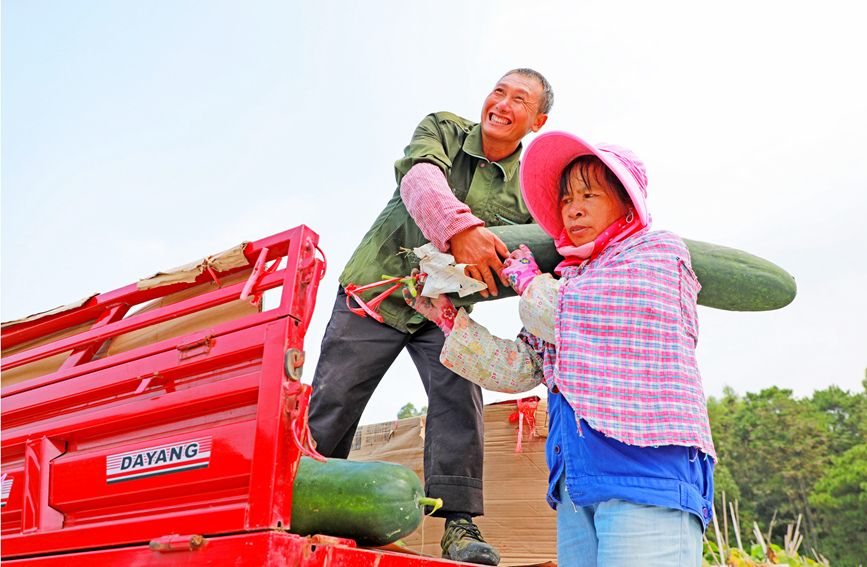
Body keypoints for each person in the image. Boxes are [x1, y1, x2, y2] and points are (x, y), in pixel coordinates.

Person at [404, 131, 716, 567]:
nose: (574, 209)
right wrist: (449, 319)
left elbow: (581, 316)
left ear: (627, 204)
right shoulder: (569, 280)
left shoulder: (656, 253)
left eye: (590, 194)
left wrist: (529, 282)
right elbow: (519, 368)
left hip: (648, 479)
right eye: (567, 199)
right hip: (577, 488)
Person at [307, 69, 553, 565]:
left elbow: (531, 264)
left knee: (460, 398)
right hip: (376, 290)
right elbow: (420, 180)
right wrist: (460, 229)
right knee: (333, 401)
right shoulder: (442, 128)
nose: (502, 102)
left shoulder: (531, 194)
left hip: (442, 314)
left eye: (519, 99)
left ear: (538, 121)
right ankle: (300, 504)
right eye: (499, 90)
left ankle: (459, 527)